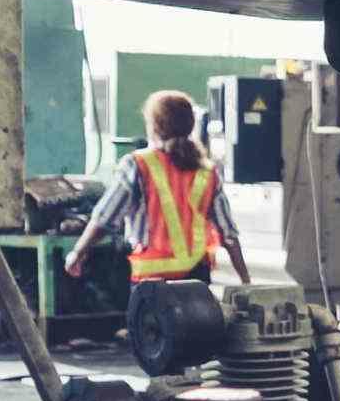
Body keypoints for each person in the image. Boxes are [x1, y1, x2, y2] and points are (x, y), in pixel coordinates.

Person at [67, 90, 251, 286]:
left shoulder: (136, 164)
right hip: (197, 281)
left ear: (155, 126)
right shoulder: (207, 171)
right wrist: (245, 280)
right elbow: (228, 233)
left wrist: (78, 252)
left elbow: (105, 218)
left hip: (150, 283)